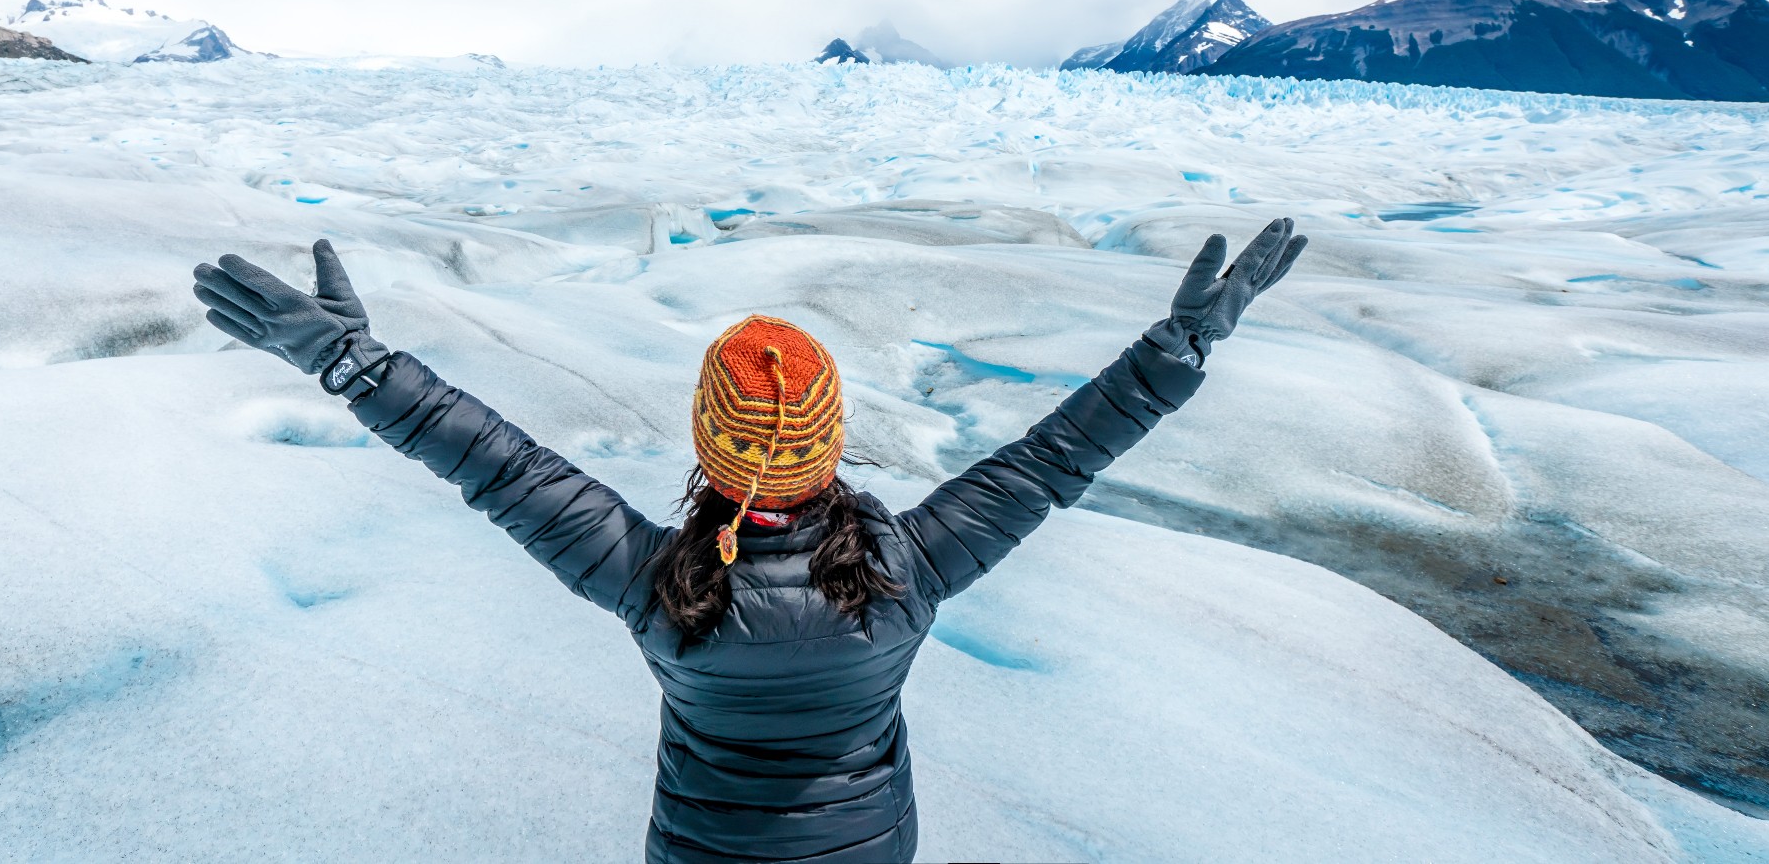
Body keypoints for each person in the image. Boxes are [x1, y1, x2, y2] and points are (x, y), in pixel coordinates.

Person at [192, 218, 1305, 864]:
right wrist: (1173, 355)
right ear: (833, 440)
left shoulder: (652, 582)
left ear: (707, 441)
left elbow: (493, 462)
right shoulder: (905, 570)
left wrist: (353, 367)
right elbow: (1056, 456)